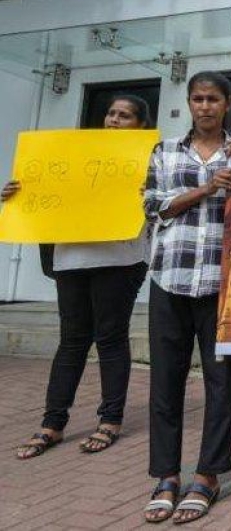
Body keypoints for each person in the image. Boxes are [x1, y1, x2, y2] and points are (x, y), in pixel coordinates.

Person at [7, 95, 152, 461]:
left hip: (120, 258)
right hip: (72, 257)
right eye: (111, 113)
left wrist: (148, 193)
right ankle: (52, 424)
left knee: (110, 338)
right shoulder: (72, 155)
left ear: (140, 125)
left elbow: (162, 205)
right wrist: (16, 195)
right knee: (71, 341)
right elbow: (43, 195)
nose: (115, 119)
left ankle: (110, 420)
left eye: (125, 116)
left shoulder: (150, 160)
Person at [141, 72, 231, 524]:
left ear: (228, 103)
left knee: (221, 384)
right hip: (169, 280)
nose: (205, 106)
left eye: (213, 99)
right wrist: (207, 188)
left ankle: (207, 475)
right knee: (165, 383)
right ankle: (166, 475)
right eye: (197, 99)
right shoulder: (165, 151)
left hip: (224, 287)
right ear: (189, 103)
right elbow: (152, 206)